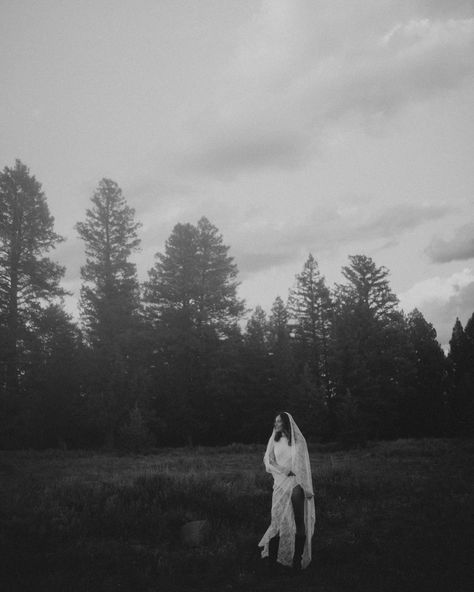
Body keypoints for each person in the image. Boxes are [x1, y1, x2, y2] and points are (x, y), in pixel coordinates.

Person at [258, 411, 315, 571]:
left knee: (299, 522)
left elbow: (303, 467)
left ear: (286, 423)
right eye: (275, 421)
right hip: (280, 484)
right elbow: (268, 461)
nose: (275, 424)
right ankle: (273, 562)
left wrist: (306, 487)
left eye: (279, 421)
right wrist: (282, 469)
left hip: (296, 484)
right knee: (276, 520)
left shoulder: (298, 442)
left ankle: (297, 561)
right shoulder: (274, 440)